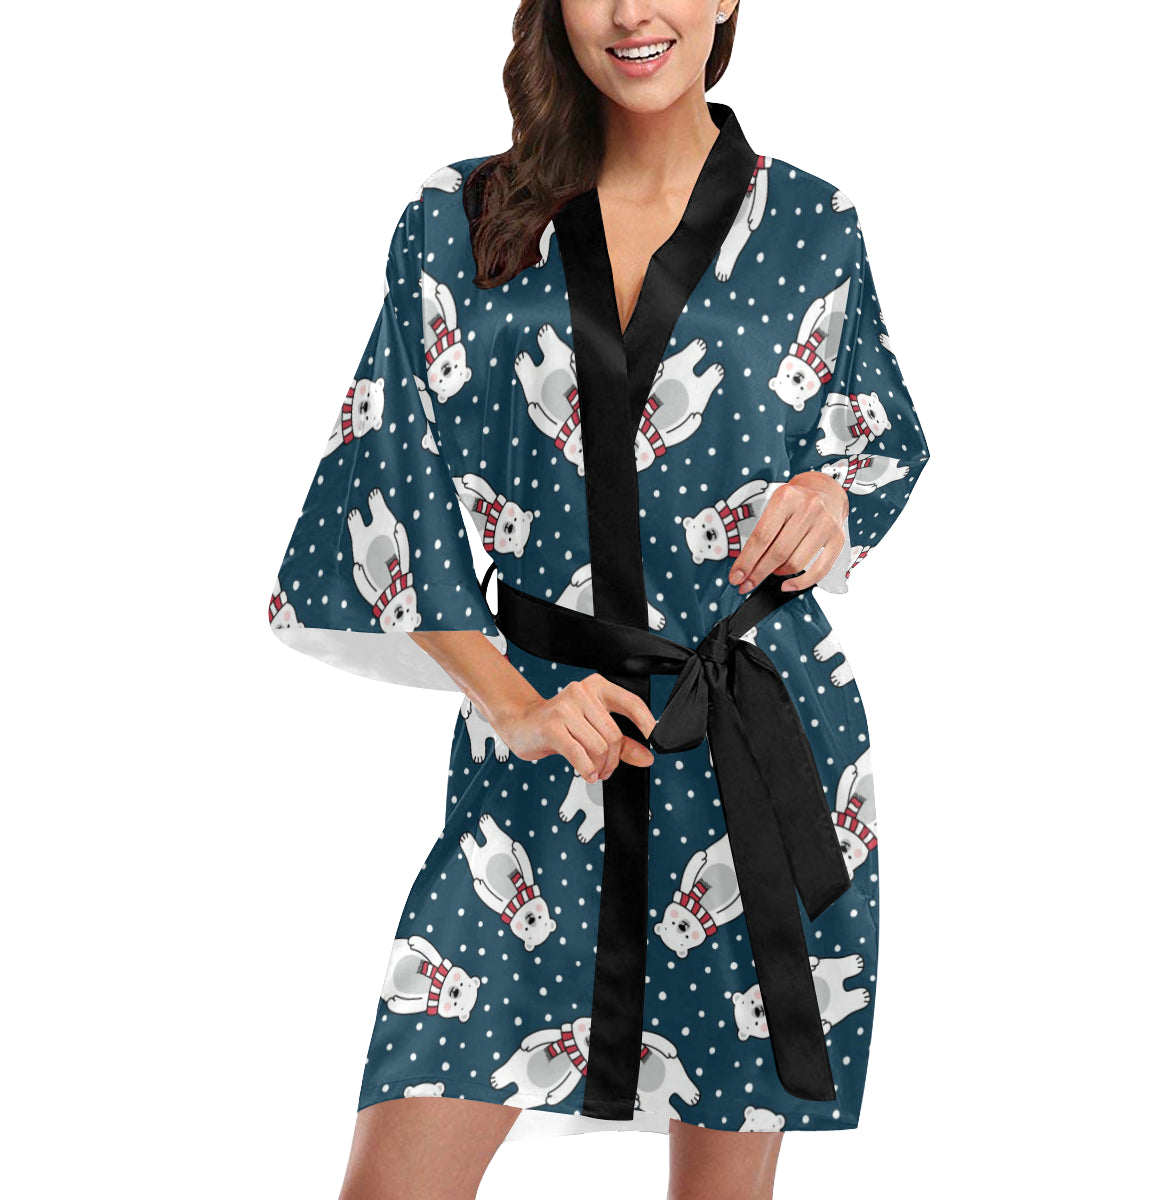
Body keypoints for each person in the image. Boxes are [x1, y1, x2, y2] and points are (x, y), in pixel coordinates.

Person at [265, 1, 932, 1196]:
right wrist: (515, 704)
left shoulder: (813, 223)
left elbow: (875, 444)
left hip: (757, 749)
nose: (632, 11)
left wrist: (828, 497)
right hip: (539, 762)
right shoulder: (459, 217)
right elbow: (392, 489)